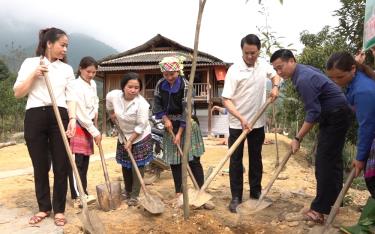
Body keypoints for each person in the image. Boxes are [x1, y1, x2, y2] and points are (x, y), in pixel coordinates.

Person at [270, 49, 350, 224]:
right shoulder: (303, 70)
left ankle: (319, 210)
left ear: (292, 61)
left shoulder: (303, 79)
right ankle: (334, 203)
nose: (279, 73)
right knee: (333, 160)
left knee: (323, 161)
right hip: (337, 113)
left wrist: (297, 138)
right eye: (276, 69)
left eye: (281, 67)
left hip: (335, 115)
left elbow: (313, 112)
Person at [13, 27, 76, 226]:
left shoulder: (65, 69)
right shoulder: (30, 63)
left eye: (67, 46)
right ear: (49, 43)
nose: (65, 49)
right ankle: (43, 208)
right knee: (40, 165)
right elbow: (18, 93)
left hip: (60, 115)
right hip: (35, 115)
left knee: (61, 164)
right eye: (62, 45)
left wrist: (72, 119)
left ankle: (59, 209)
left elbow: (71, 96)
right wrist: (35, 74)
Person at [222, 34, 280, 213]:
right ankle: (236, 197)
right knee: (236, 161)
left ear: (258, 51)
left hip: (257, 123)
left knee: (256, 158)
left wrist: (276, 87)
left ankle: (255, 193)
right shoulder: (234, 70)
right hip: (237, 124)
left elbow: (275, 75)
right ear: (242, 50)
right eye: (247, 53)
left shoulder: (263, 65)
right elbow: (226, 99)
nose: (250, 57)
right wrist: (241, 118)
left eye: (253, 53)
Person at [153, 56, 213, 209]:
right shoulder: (160, 84)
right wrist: (164, 119)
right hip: (169, 126)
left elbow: (187, 111)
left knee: (193, 160)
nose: (169, 77)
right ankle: (179, 193)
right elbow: (157, 105)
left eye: (172, 74)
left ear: (178, 71)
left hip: (187, 125)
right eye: (166, 74)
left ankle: (201, 192)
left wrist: (179, 133)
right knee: (175, 161)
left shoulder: (186, 85)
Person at [326, 51, 375, 233]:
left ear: (353, 69)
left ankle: (366, 227)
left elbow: (367, 127)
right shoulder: (357, 78)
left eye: (340, 76)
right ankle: (366, 225)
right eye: (332, 77)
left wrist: (360, 158)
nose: (336, 81)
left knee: (373, 179)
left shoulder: (364, 90)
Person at [106, 72, 153, 206]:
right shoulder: (114, 95)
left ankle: (135, 195)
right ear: (123, 87)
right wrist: (112, 114)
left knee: (137, 165)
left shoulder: (142, 104)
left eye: (136, 87)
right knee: (126, 164)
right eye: (130, 87)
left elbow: (141, 126)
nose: (133, 90)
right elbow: (108, 103)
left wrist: (131, 141)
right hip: (123, 134)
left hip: (140, 136)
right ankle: (127, 190)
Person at [68, 56, 101, 208]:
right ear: (80, 69)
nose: (91, 75)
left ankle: (84, 192)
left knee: (85, 162)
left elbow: (95, 102)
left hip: (88, 126)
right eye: (88, 71)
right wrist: (94, 131)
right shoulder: (74, 85)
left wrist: (95, 113)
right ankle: (77, 195)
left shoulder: (93, 84)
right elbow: (79, 112)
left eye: (94, 72)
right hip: (79, 125)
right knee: (77, 162)